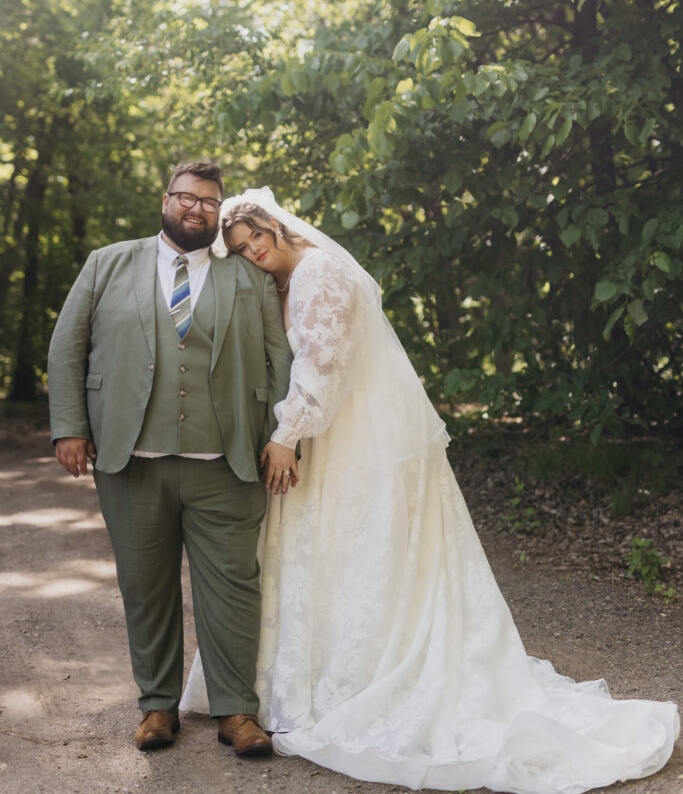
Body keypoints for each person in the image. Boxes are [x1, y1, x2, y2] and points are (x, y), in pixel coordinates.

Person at [180, 186, 680, 794]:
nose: (253, 250)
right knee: (340, 557)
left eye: (256, 236)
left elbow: (322, 365)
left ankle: (363, 678)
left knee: (359, 555)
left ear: (276, 224)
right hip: (342, 433)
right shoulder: (293, 276)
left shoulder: (318, 272)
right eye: (240, 248)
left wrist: (287, 434)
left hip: (352, 437)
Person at [48, 165, 292, 757]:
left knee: (234, 588)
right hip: (132, 459)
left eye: (209, 202)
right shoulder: (108, 263)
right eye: (187, 197)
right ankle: (156, 707)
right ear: (166, 201)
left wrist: (286, 433)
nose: (197, 209)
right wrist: (70, 428)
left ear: (218, 212)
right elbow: (68, 344)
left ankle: (237, 711)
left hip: (227, 459)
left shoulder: (247, 278)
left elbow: (278, 357)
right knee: (145, 585)